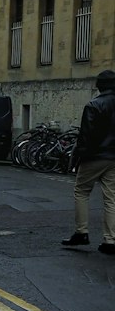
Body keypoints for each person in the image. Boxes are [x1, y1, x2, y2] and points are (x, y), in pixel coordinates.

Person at [61, 70, 115, 254]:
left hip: (95, 156)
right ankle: (110, 240)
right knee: (111, 198)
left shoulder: (94, 105)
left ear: (99, 86)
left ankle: (81, 232)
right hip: (113, 157)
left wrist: (79, 157)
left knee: (81, 191)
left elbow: (86, 136)